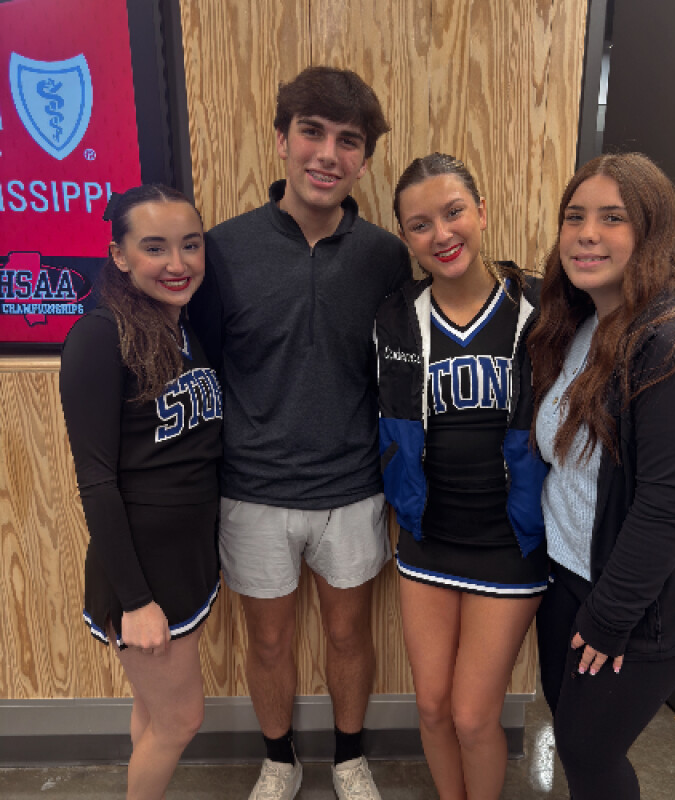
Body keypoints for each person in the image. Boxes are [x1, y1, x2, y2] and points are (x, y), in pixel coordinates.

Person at [189, 66, 411, 800]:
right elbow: (205, 370)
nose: (328, 153)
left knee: (349, 636)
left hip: (352, 489)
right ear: (281, 139)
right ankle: (279, 760)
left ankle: (349, 759)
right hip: (252, 492)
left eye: (349, 141)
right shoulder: (223, 250)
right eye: (312, 132)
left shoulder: (385, 256)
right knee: (269, 640)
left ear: (365, 161)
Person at [528, 152, 675, 800]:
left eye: (612, 218)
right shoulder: (578, 322)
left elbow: (669, 504)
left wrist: (610, 617)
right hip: (569, 573)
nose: (586, 234)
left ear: (652, 233)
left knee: (589, 753)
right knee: (574, 739)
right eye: (575, 217)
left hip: (645, 599)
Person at [375, 153, 549, 800]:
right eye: (420, 225)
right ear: (405, 237)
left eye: (454, 213)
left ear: (482, 211)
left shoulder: (540, 308)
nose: (441, 235)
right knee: (431, 708)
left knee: (475, 716)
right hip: (428, 538)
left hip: (511, 541)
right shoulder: (395, 316)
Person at [60, 185, 223, 800]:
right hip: (142, 572)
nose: (177, 263)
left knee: (155, 713)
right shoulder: (99, 337)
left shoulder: (182, 328)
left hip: (188, 560)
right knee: (181, 721)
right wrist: (135, 601)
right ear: (120, 256)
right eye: (154, 248)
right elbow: (96, 480)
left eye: (190, 245)